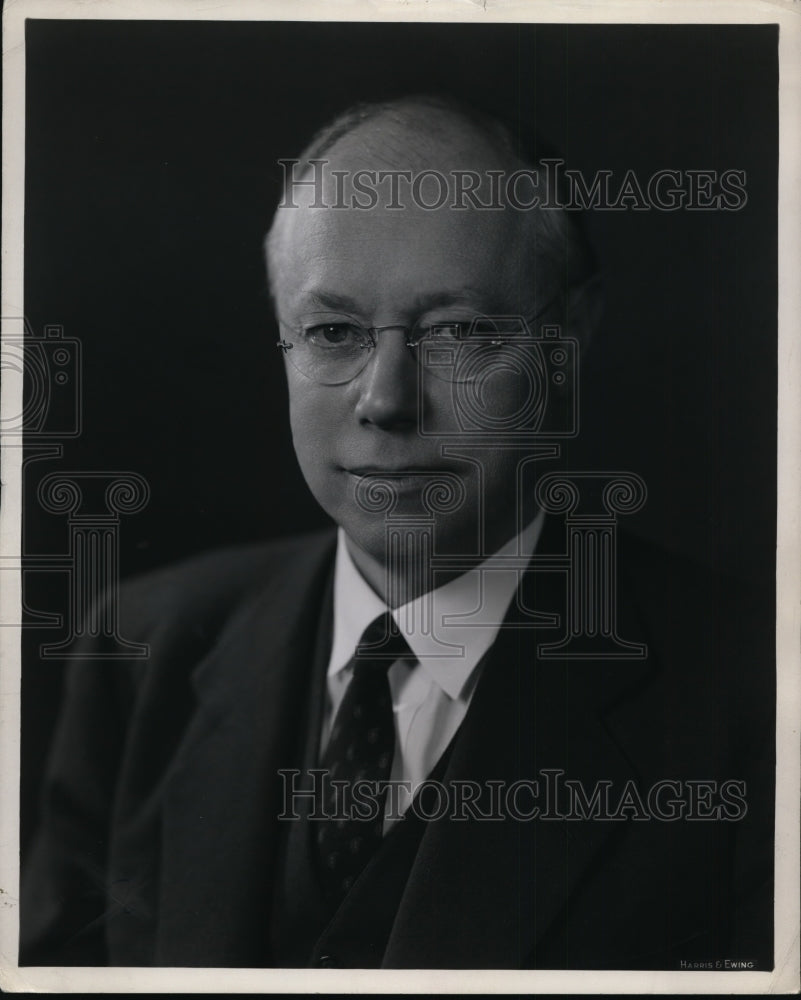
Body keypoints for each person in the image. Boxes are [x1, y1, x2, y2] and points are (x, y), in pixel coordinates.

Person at [20, 95, 774, 970]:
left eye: (456, 331)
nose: (385, 401)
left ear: (569, 339)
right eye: (333, 331)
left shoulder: (754, 697)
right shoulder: (141, 652)